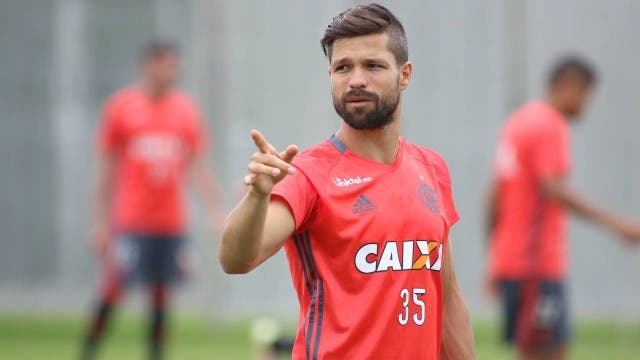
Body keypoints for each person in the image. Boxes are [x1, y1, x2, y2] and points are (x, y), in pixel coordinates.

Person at [220, 4, 475, 359]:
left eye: (372, 65)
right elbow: (235, 259)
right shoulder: (308, 175)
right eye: (343, 67)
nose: (356, 79)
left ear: (405, 75)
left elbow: (447, 296)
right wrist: (257, 197)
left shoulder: (431, 168)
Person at [485, 56, 640, 360]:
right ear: (569, 87)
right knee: (550, 354)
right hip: (536, 264)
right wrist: (616, 224)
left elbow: (494, 196)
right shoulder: (549, 125)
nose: (585, 104)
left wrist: (494, 257)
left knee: (531, 352)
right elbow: (554, 188)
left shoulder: (518, 122)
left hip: (513, 262)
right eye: (585, 94)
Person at [79, 40, 222, 360]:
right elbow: (105, 168)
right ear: (147, 66)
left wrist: (214, 208)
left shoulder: (185, 110)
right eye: (163, 64)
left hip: (170, 221)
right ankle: (87, 351)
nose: (169, 71)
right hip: (131, 220)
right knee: (113, 288)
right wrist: (99, 223)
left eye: (174, 65)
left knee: (161, 294)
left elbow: (197, 164)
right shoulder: (121, 108)